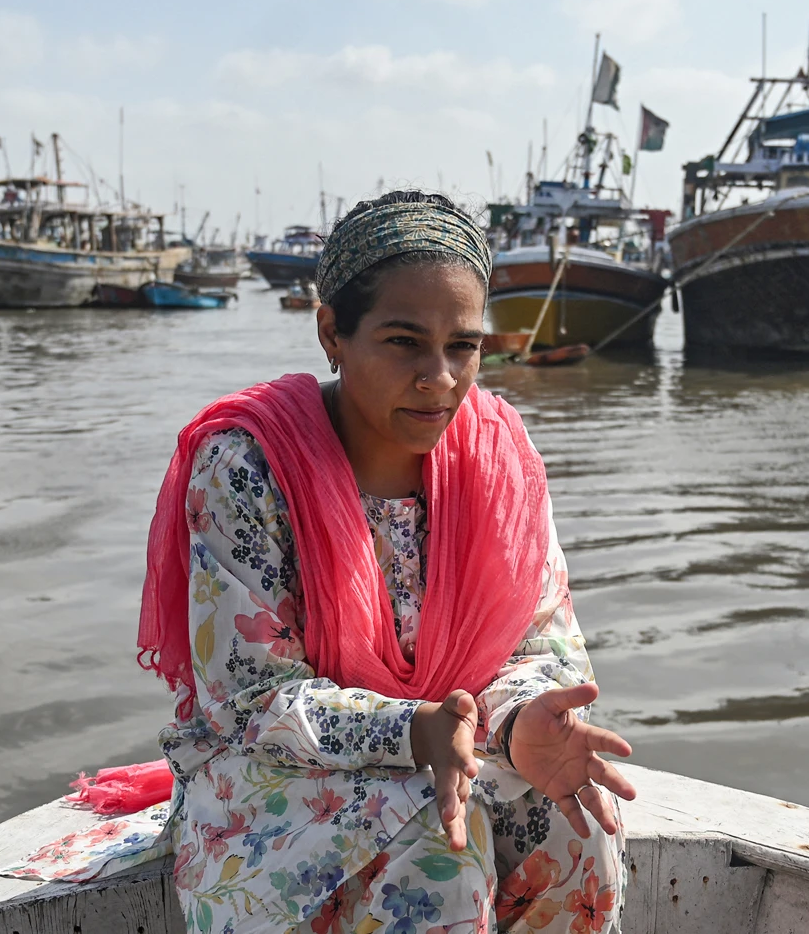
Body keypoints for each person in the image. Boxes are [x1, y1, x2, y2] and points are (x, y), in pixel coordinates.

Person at [139, 190, 636, 934]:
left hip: (462, 743)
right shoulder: (246, 465)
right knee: (441, 865)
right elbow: (248, 702)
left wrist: (521, 718)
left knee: (581, 834)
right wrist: (411, 731)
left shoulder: (501, 460)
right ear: (332, 332)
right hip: (284, 768)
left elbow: (543, 645)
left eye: (463, 345)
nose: (440, 376)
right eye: (405, 341)